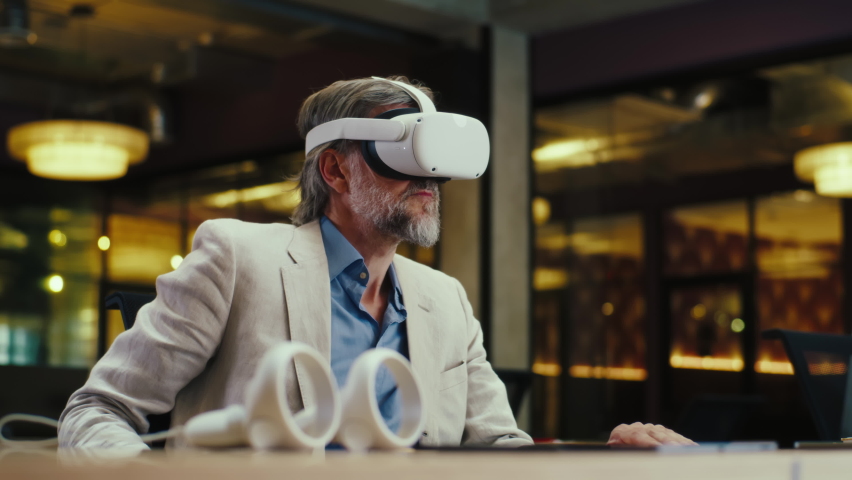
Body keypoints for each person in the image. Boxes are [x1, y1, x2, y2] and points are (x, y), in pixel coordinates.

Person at [59, 76, 694, 451]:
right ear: (334, 168)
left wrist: (604, 459)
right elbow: (95, 411)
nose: (429, 180)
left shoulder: (443, 299)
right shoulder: (237, 256)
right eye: (403, 155)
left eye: (434, 161)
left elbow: (499, 450)